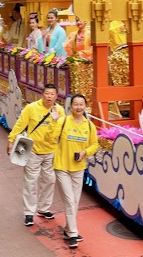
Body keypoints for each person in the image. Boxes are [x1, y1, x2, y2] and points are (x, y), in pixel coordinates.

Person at [6, 84, 66, 226]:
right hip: (32, 151)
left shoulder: (60, 111)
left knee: (50, 180)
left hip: (51, 151)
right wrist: (11, 139)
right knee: (31, 182)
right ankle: (28, 213)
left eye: (52, 94)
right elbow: (20, 124)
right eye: (47, 93)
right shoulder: (31, 108)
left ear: (56, 96)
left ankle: (44, 208)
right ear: (42, 94)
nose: (49, 96)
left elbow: (63, 131)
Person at [47, 94, 98, 249]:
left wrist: (85, 153)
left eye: (81, 104)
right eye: (75, 104)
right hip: (62, 167)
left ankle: (68, 230)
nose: (78, 107)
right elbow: (50, 138)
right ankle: (74, 234)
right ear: (71, 106)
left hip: (78, 168)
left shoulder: (89, 126)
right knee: (70, 200)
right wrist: (54, 121)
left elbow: (95, 145)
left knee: (74, 201)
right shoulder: (63, 122)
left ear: (85, 106)